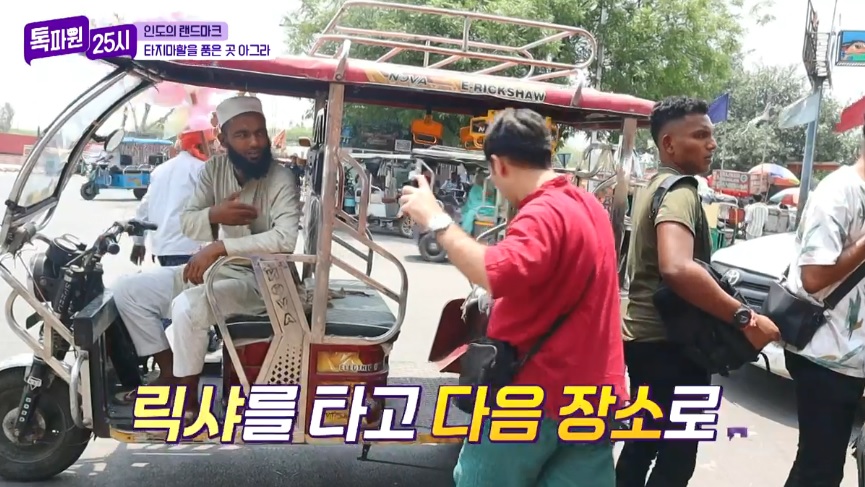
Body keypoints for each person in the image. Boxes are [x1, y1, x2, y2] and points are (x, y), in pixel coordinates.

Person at [399, 108, 626, 486]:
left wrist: (436, 218)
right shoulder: (589, 208)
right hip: (593, 400)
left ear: (499, 165)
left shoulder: (544, 212)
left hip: (536, 397)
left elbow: (495, 272)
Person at [617, 96, 780, 487]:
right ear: (669, 144)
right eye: (700, 135)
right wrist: (745, 318)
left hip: (644, 340)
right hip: (673, 347)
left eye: (711, 135)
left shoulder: (654, 185)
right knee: (678, 456)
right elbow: (677, 267)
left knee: (642, 444)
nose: (712, 144)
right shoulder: (680, 191)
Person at [112, 95, 302, 411]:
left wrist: (220, 246)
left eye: (259, 133)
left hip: (265, 282)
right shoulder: (213, 169)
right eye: (242, 135)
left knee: (187, 308)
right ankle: (169, 371)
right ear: (223, 139)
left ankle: (186, 403)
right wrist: (214, 215)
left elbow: (285, 239)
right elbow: (188, 222)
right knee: (128, 289)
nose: (255, 142)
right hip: (222, 271)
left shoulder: (281, 177)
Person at [781, 116, 865, 487]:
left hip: (850, 355)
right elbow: (814, 277)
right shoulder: (840, 191)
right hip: (825, 354)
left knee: (821, 468)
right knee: (820, 470)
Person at [130, 129, 213, 268]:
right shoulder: (201, 169)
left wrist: (138, 243)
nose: (212, 149)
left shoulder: (160, 170)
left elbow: (143, 209)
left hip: (163, 249)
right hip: (189, 249)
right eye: (209, 144)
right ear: (198, 146)